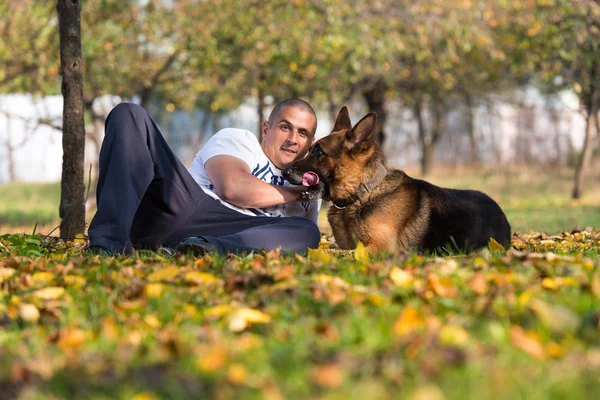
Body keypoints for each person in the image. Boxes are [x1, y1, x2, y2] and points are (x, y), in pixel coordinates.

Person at [87, 98, 323, 256]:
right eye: (285, 127)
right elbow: (232, 188)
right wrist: (299, 193)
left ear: (311, 143)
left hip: (234, 234)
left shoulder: (311, 185)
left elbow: (297, 239)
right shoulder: (238, 140)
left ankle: (199, 249)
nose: (293, 138)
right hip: (188, 206)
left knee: (308, 232)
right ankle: (107, 244)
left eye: (302, 133)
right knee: (129, 113)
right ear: (265, 129)